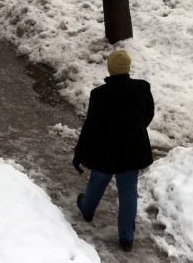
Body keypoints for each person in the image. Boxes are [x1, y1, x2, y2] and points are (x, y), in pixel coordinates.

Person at [73, 50, 155, 252]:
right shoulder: (142, 88)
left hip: (105, 152)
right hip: (132, 151)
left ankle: (87, 209)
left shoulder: (100, 94)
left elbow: (90, 126)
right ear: (127, 68)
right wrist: (135, 129)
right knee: (128, 193)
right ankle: (126, 238)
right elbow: (148, 114)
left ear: (110, 69)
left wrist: (79, 153)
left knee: (97, 182)